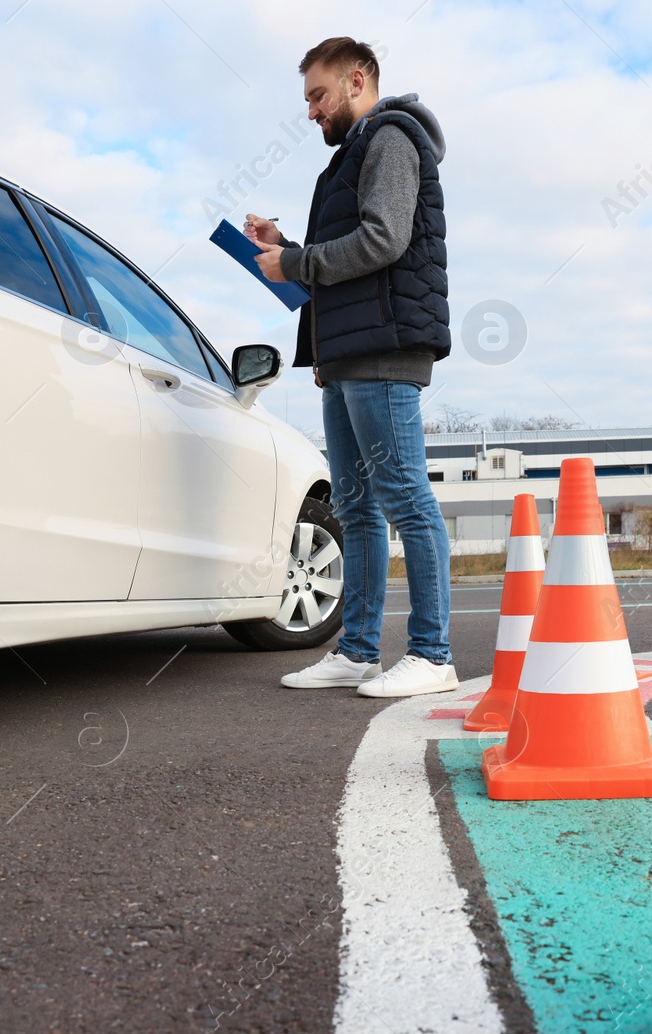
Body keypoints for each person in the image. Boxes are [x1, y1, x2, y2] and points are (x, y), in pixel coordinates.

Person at [245, 36, 455, 698]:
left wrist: (297, 264)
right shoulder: (343, 164)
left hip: (385, 350)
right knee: (358, 505)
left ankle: (432, 654)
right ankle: (358, 650)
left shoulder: (391, 139)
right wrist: (287, 250)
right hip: (345, 356)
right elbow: (345, 257)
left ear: (356, 79)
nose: (310, 112)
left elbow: (383, 240)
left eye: (317, 95)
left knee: (404, 498)